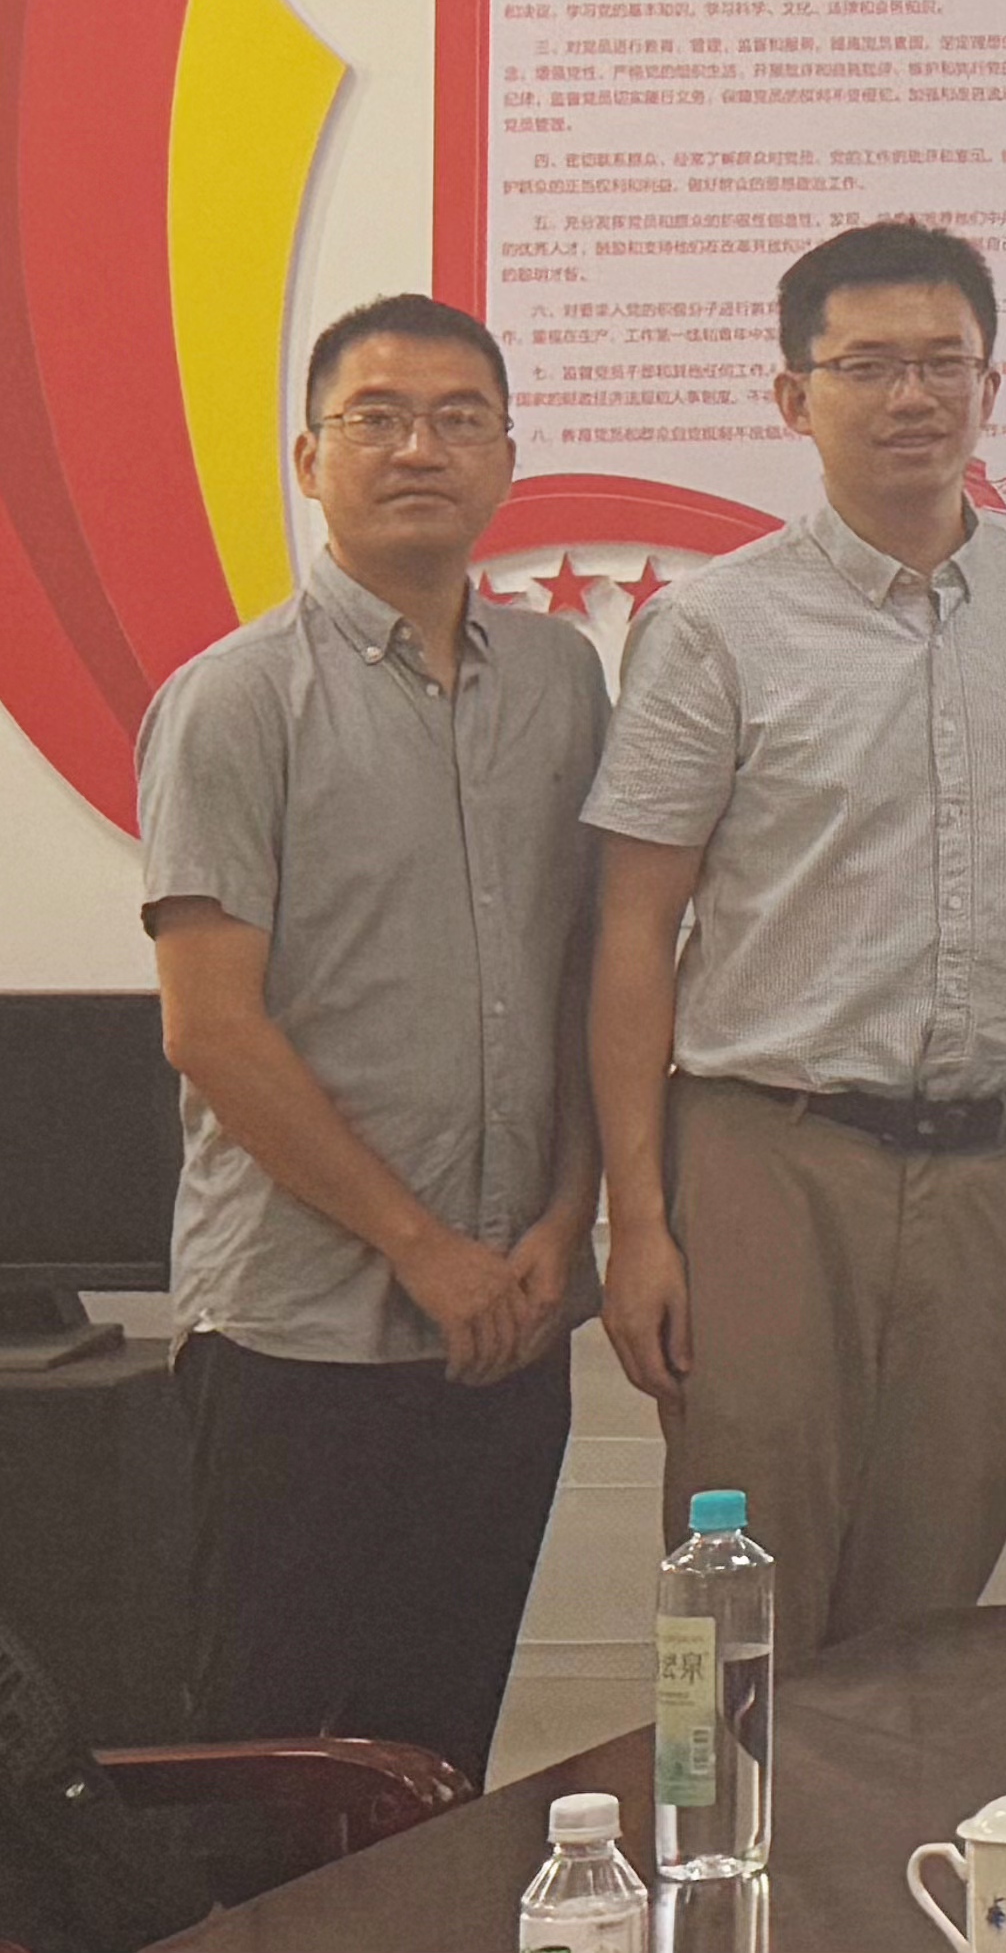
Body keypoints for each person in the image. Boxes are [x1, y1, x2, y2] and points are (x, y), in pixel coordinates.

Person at [583, 220, 1006, 1655]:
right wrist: (640, 1223)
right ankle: (740, 1817)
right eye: (867, 365)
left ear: (991, 385)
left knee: (934, 1602)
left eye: (944, 362)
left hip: (991, 1173)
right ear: (793, 396)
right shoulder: (714, 625)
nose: (911, 396)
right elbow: (633, 932)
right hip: (769, 1163)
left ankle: (895, 1818)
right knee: (746, 1596)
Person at [134, 296, 600, 1785]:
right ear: (308, 456)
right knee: (265, 1755)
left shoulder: (564, 683)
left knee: (438, 1747)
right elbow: (212, 1030)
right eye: (378, 417)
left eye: (461, 418)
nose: (420, 449)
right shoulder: (234, 700)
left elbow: (587, 978)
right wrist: (423, 1247)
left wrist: (565, 1219)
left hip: (511, 1317)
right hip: (302, 1328)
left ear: (507, 457)